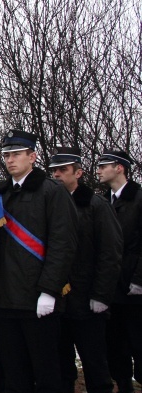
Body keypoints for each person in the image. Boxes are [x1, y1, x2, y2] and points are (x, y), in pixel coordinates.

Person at [0, 130, 78, 393]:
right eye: (6, 155)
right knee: (14, 371)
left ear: (32, 156)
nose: (10, 160)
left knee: (46, 370)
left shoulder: (52, 192)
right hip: (4, 298)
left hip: (37, 299)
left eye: (16, 154)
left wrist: (49, 290)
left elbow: (63, 245)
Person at [49, 146, 122, 393]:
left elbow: (109, 253)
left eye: (63, 170)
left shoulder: (96, 205)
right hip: (57, 299)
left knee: (94, 364)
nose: (57, 175)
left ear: (78, 173)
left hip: (88, 299)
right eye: (54, 171)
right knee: (61, 365)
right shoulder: (48, 204)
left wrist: (101, 295)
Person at [96, 149, 142, 393]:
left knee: (138, 340)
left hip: (134, 288)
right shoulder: (104, 201)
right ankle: (123, 383)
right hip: (111, 286)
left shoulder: (139, 198)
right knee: (115, 343)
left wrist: (139, 279)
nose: (99, 170)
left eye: (105, 166)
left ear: (120, 168)